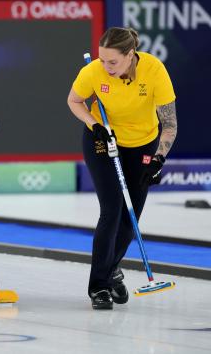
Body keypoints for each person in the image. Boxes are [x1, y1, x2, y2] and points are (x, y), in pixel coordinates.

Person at [67, 27, 177, 310]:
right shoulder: (94, 72)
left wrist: (159, 159)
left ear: (131, 55)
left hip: (142, 144)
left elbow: (170, 125)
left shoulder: (154, 71)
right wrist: (95, 126)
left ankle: (112, 268)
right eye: (102, 60)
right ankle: (99, 287)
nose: (106, 67)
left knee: (131, 218)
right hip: (103, 140)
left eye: (112, 62)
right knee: (112, 209)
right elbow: (74, 101)